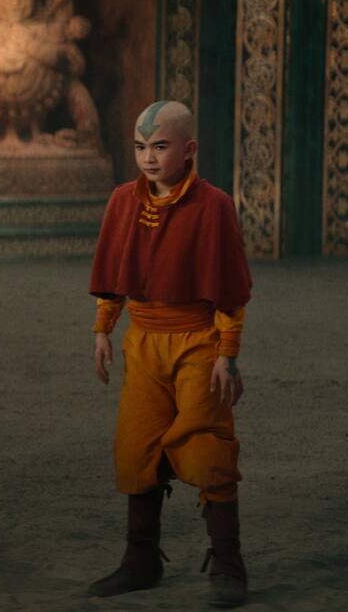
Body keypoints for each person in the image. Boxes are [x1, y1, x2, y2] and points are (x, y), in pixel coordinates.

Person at [86, 100, 253, 608]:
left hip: (197, 340)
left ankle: (228, 563)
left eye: (160, 147)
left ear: (189, 149)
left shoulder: (213, 206)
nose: (149, 158)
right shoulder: (123, 201)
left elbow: (228, 288)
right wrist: (103, 329)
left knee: (206, 447)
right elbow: (114, 274)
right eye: (141, 147)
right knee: (136, 446)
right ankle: (141, 559)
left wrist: (227, 353)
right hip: (143, 341)